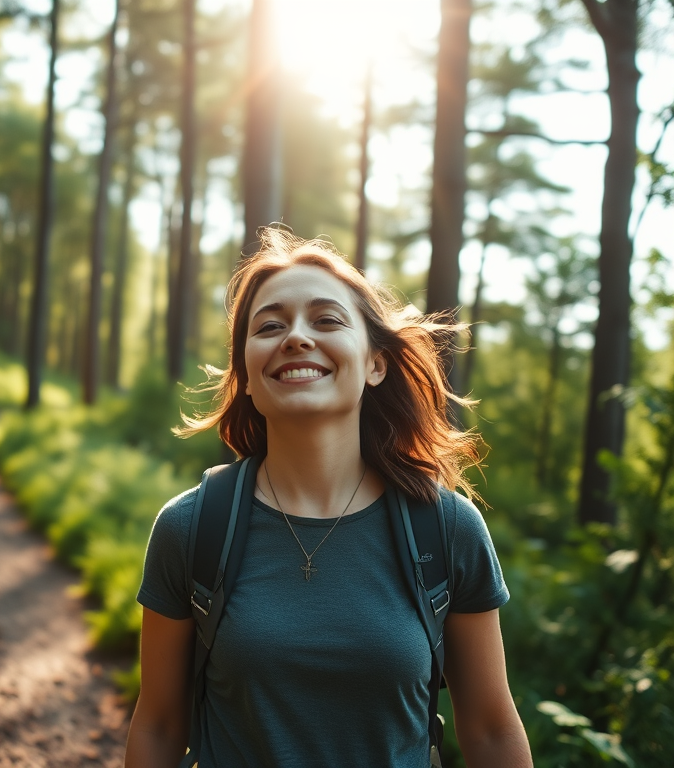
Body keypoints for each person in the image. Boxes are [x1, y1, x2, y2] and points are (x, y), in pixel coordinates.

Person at [124, 227, 533, 767]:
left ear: (375, 363)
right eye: (269, 325)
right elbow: (157, 725)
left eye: (327, 320)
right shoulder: (191, 528)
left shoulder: (446, 530)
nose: (296, 337)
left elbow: (490, 733)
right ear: (246, 374)